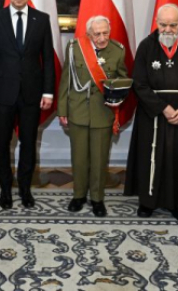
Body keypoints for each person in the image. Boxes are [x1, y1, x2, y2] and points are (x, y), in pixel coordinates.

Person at [124, 4, 178, 224]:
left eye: (173, 24)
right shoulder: (146, 46)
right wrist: (163, 107)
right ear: (157, 22)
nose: (168, 29)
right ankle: (148, 202)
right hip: (152, 113)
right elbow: (140, 83)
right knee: (150, 157)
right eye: (163, 24)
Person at [0, 0, 55, 209]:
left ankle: (24, 189)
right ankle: (5, 190)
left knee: (28, 143)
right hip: (2, 92)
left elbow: (48, 60)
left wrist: (48, 92)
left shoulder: (41, 20)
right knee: (2, 143)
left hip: (32, 94)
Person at [58, 15, 127, 217]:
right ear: (89, 34)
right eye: (97, 34)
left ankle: (97, 199)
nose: (102, 37)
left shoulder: (117, 50)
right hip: (78, 110)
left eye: (106, 32)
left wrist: (118, 97)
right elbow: (66, 80)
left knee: (99, 159)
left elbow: (123, 80)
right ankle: (78, 196)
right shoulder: (74, 48)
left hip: (102, 113)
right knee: (79, 158)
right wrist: (62, 110)